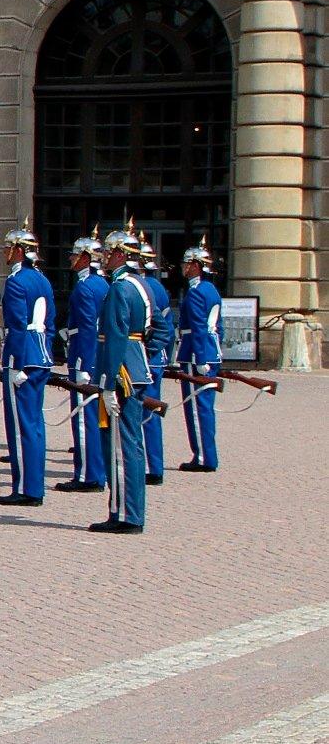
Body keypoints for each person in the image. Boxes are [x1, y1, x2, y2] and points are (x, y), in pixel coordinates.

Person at [92, 229, 155, 534]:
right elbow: (159, 329)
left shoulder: (119, 288)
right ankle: (128, 510)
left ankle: (125, 513)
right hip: (137, 365)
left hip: (121, 372)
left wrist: (106, 382)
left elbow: (115, 336)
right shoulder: (142, 285)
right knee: (131, 442)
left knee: (119, 445)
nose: (103, 257)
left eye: (107, 252)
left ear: (119, 254)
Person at [0, 229, 55, 505]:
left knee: (21, 426)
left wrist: (17, 362)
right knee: (34, 423)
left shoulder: (18, 281)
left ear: (19, 250)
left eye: (9, 247)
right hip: (40, 352)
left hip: (23, 356)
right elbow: (51, 322)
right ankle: (34, 484)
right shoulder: (42, 280)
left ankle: (26, 488)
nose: (6, 252)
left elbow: (17, 324)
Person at [60, 236, 110, 493]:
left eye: (75, 255)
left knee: (84, 419)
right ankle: (95, 470)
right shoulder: (103, 284)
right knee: (95, 418)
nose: (71, 258)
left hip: (85, 356)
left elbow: (88, 329)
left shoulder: (86, 287)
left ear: (86, 258)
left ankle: (87, 474)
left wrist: (82, 364)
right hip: (97, 357)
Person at [176, 244, 223, 472]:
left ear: (196, 266)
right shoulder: (211, 290)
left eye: (187, 263)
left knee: (197, 408)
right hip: (209, 350)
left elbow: (197, 328)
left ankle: (203, 456)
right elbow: (217, 328)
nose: (183, 267)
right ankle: (205, 454)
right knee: (204, 407)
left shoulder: (195, 292)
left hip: (197, 354)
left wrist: (200, 357)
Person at [138, 239, 175, 486]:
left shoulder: (142, 286)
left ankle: (152, 466)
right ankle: (152, 463)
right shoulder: (157, 286)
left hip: (147, 357)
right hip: (157, 357)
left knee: (145, 413)